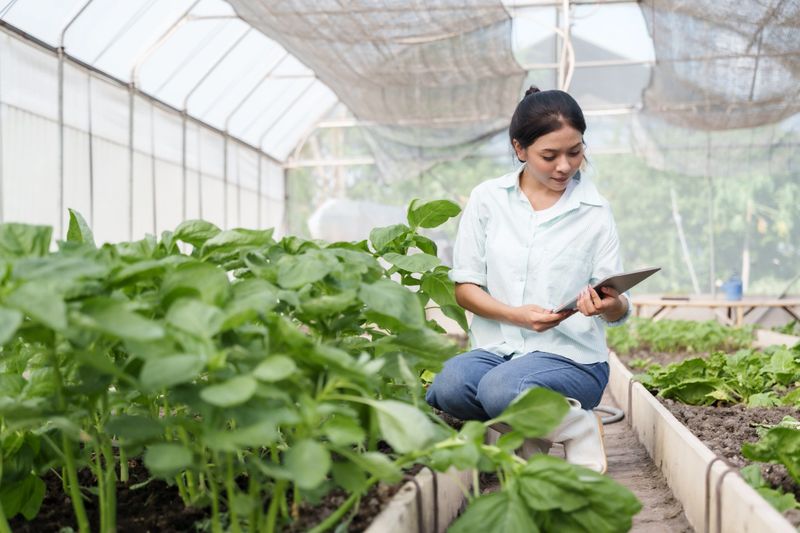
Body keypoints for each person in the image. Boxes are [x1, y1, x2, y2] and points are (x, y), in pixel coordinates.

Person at [425, 86, 631, 473]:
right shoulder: (488, 200)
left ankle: (578, 428)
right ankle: (533, 436)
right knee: (449, 386)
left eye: (576, 151)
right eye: (549, 156)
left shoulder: (595, 211)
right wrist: (518, 316)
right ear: (520, 149)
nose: (565, 167)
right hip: (499, 348)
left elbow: (617, 305)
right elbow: (465, 288)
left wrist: (608, 304)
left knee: (502, 389)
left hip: (573, 360)